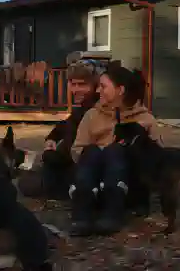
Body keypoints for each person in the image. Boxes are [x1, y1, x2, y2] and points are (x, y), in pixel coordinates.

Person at [69, 65, 162, 237]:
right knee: (92, 151)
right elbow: (76, 150)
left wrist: (132, 143)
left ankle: (112, 214)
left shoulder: (145, 119)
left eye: (103, 86)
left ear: (120, 90)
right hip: (94, 179)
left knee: (116, 151)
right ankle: (82, 214)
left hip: (127, 187)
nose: (98, 91)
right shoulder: (91, 115)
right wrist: (98, 154)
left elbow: (157, 159)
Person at [41, 58, 106, 200]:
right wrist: (52, 137)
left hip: (86, 168)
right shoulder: (83, 107)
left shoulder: (97, 108)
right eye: (73, 83)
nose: (76, 89)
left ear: (95, 85)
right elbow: (67, 123)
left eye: (82, 84)